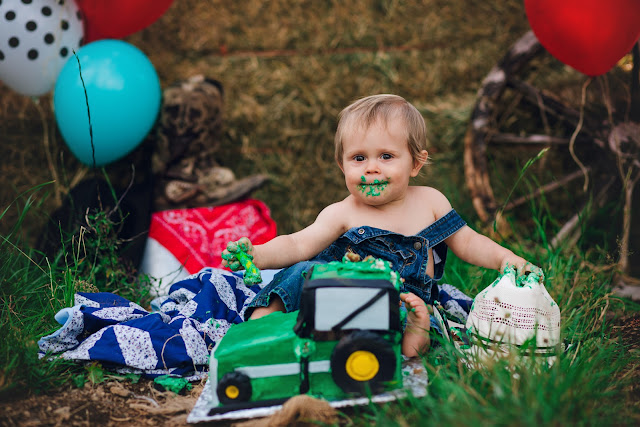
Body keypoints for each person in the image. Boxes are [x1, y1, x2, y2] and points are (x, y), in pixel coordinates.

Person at [223, 94, 540, 358]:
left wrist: (504, 260)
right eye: (358, 158)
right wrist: (258, 254)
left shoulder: (431, 202)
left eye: (386, 156)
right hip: (339, 289)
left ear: (415, 163)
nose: (371, 168)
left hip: (398, 298)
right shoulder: (343, 211)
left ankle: (416, 335)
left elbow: (468, 242)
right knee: (298, 272)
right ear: (342, 165)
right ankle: (259, 331)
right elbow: (296, 244)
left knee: (406, 313)